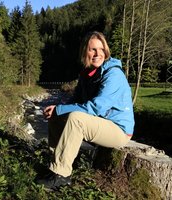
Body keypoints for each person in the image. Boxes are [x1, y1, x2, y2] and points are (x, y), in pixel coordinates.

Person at [36, 31, 135, 190]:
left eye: (101, 49)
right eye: (92, 50)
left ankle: (62, 176)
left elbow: (96, 107)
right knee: (56, 116)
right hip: (99, 123)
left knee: (76, 118)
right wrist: (56, 110)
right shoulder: (86, 75)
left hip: (118, 130)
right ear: (85, 52)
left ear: (106, 51)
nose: (97, 54)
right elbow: (75, 101)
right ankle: (55, 165)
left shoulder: (113, 74)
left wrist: (61, 109)